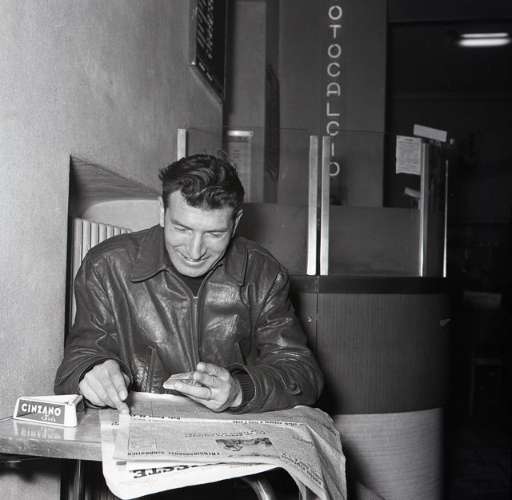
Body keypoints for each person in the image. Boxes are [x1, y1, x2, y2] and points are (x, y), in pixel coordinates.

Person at [54, 154, 324, 414]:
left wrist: (240, 390)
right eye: (182, 229)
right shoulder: (106, 265)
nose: (195, 252)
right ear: (162, 211)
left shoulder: (264, 273)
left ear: (236, 223)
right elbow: (76, 363)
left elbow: (302, 373)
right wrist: (91, 372)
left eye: (214, 234)